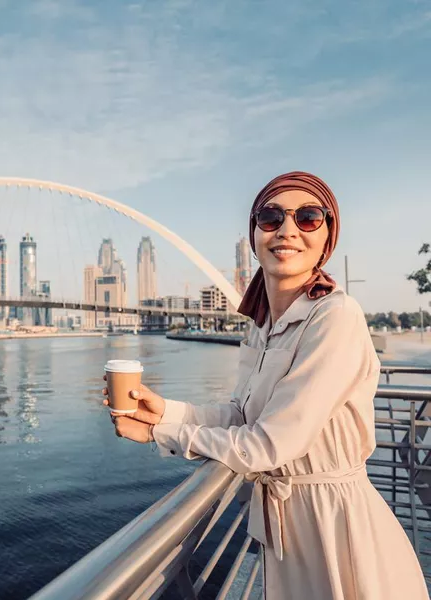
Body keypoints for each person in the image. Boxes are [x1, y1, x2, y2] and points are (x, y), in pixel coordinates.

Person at [105, 172, 428, 599]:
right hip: (286, 533)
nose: (288, 230)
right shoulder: (263, 326)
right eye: (271, 216)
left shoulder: (335, 316)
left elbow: (268, 445)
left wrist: (159, 433)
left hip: (335, 528)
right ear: (255, 234)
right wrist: (164, 411)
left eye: (309, 217)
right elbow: (241, 414)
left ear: (327, 238)